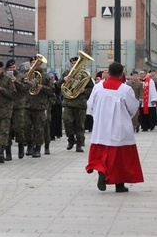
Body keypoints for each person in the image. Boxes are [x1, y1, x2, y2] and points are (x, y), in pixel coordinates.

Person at [85, 62, 144, 193]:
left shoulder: (98, 87)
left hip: (101, 127)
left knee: (102, 151)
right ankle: (119, 185)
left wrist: (98, 116)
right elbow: (133, 107)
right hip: (119, 127)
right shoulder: (125, 89)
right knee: (120, 157)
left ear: (108, 72)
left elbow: (90, 104)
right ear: (121, 73)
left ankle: (101, 169)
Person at [60, 56, 94, 152]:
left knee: (80, 124)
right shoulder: (67, 73)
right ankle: (70, 139)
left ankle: (79, 143)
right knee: (67, 121)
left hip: (80, 103)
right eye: (74, 63)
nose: (75, 65)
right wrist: (64, 79)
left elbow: (91, 88)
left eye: (77, 63)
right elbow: (59, 85)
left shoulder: (85, 75)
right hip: (68, 102)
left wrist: (84, 90)